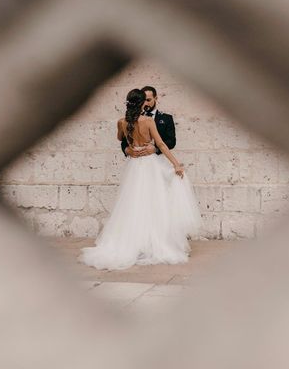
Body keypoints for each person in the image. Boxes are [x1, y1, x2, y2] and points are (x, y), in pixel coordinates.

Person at [79, 88, 202, 270]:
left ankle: (134, 243)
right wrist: (176, 164)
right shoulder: (148, 121)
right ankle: (153, 243)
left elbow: (120, 138)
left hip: (134, 167)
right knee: (154, 203)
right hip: (150, 165)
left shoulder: (121, 122)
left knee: (133, 203)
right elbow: (160, 143)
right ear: (142, 103)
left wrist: (130, 145)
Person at [121, 85, 175, 159]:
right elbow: (124, 141)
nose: (146, 103)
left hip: (159, 159)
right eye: (144, 100)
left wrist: (155, 149)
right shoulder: (132, 118)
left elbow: (172, 141)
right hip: (136, 160)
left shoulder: (166, 118)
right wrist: (128, 150)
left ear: (155, 98)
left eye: (148, 100)